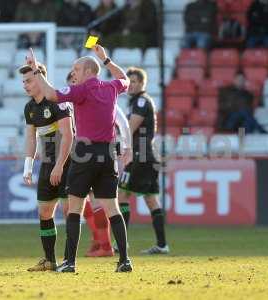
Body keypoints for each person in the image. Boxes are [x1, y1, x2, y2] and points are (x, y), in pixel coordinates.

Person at [26, 45, 132, 273]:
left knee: (74, 208)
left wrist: (37, 72)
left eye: (76, 69)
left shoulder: (81, 91)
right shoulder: (111, 88)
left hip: (84, 154)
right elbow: (125, 80)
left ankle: (70, 262)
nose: (73, 73)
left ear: (88, 72)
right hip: (108, 154)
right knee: (112, 207)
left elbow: (52, 94)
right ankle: (125, 260)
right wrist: (106, 59)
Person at [20, 63, 74, 272]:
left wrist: (60, 165)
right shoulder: (30, 108)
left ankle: (69, 260)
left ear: (40, 78)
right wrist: (28, 165)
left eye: (29, 80)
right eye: (23, 81)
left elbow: (68, 136)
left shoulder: (58, 102)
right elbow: (30, 138)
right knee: (44, 211)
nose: (25, 85)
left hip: (68, 163)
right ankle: (50, 260)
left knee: (71, 211)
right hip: (48, 164)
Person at [118, 67, 169, 255]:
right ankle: (162, 245)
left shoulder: (140, 102)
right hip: (148, 155)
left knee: (122, 195)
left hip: (140, 155)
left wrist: (117, 146)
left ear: (141, 84)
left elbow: (129, 128)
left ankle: (121, 243)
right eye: (128, 82)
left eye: (133, 82)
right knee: (150, 199)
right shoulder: (139, 101)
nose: (130, 85)